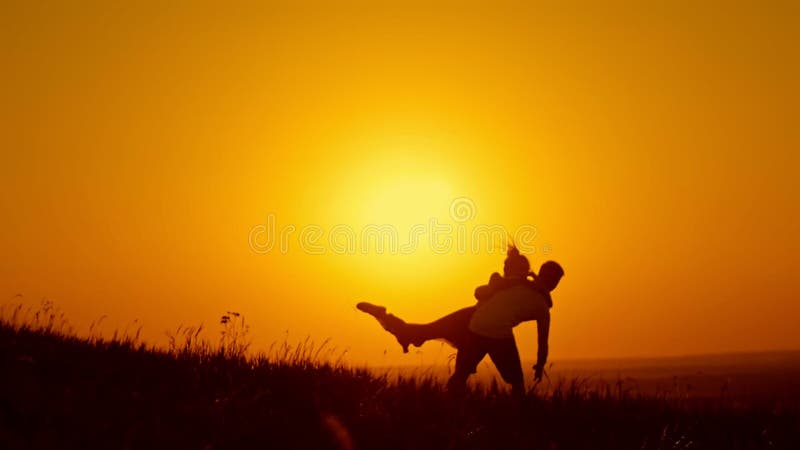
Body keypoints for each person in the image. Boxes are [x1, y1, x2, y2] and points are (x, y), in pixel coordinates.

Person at [357, 247, 563, 395]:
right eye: (507, 266)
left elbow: (486, 293)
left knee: (427, 339)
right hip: (477, 324)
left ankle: (387, 319)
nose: (505, 268)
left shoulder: (521, 287)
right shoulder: (511, 284)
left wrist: (520, 283)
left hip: (473, 323)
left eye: (509, 266)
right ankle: (387, 319)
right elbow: (479, 292)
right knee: (511, 381)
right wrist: (514, 282)